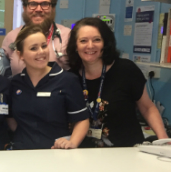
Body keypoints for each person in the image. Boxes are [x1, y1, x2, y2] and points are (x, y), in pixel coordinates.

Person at [66, 17, 168, 147]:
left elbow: (147, 108)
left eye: (97, 39)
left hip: (127, 151)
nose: (90, 45)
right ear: (75, 46)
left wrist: (164, 139)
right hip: (86, 154)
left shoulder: (126, 70)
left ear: (105, 43)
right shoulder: (70, 78)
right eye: (83, 41)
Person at [8, 25, 89, 150]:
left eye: (44, 46)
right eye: (33, 48)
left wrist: (72, 142)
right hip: (22, 152)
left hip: (56, 151)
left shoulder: (67, 80)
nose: (41, 51)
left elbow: (82, 120)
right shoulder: (15, 83)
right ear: (21, 55)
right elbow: (11, 119)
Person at [2, 0, 70, 76]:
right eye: (33, 4)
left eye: (45, 4)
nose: (38, 9)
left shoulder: (67, 37)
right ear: (24, 7)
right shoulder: (11, 38)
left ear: (53, 8)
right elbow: (4, 74)